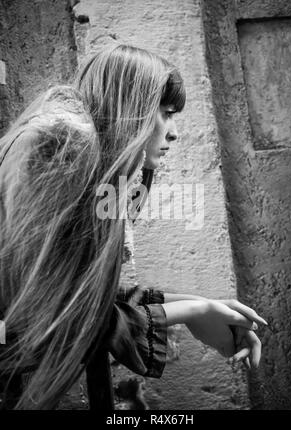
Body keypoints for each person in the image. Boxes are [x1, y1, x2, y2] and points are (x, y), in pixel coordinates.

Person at [0, 44, 267, 410]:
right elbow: (53, 315)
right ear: (132, 106)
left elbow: (78, 291)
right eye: (167, 113)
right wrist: (193, 312)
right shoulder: (64, 144)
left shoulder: (85, 154)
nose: (174, 133)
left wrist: (198, 304)